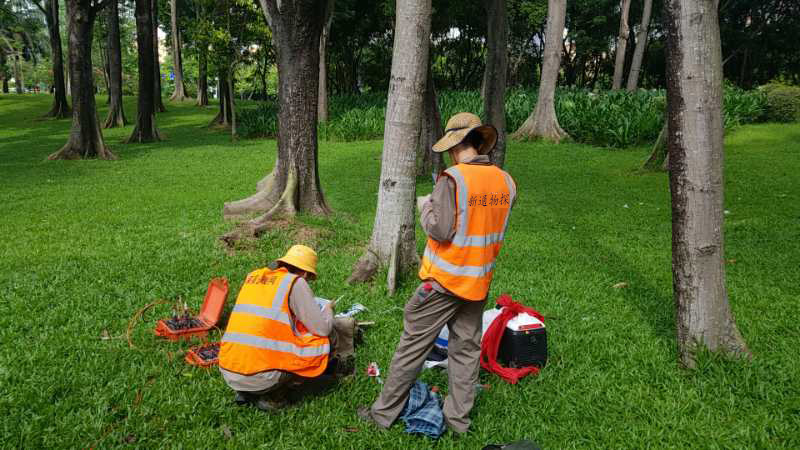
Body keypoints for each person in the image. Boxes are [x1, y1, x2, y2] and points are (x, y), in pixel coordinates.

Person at [359, 112, 517, 433]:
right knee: (467, 350)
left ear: (456, 145)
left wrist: (425, 207)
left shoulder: (453, 179)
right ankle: (457, 421)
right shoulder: (506, 181)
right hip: (478, 282)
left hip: (444, 282)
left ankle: (382, 415)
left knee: (411, 347)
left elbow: (441, 230)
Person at [219, 244, 353, 411]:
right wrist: (328, 311)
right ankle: (275, 396)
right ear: (304, 273)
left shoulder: (254, 276)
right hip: (261, 377)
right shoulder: (295, 282)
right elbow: (322, 329)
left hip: (230, 370)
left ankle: (249, 392)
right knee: (326, 338)